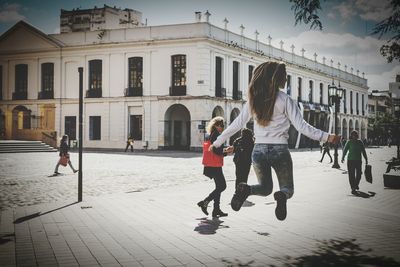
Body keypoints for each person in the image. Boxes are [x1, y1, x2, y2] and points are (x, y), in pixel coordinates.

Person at [211, 61, 339, 221]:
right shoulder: (285, 100)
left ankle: (245, 190)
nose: (286, 79)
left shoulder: (254, 100)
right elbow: (302, 127)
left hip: (258, 151)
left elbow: (237, 123)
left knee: (265, 189)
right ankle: (282, 196)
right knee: (287, 189)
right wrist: (327, 136)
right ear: (276, 78)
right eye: (284, 76)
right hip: (280, 151)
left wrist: (217, 142)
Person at [197, 116, 229, 218]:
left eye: (223, 125)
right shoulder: (216, 135)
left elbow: (215, 149)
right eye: (221, 125)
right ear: (216, 125)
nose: (223, 127)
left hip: (212, 165)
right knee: (222, 186)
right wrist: (226, 151)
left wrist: (223, 150)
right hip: (214, 165)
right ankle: (205, 202)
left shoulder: (212, 135)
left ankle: (216, 210)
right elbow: (216, 150)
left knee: (218, 187)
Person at [341, 130, 368, 195]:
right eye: (353, 135)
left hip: (358, 160)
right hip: (350, 160)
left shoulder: (360, 142)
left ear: (357, 136)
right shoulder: (349, 142)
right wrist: (343, 157)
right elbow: (345, 150)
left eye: (355, 135)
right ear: (351, 136)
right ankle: (353, 188)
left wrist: (366, 159)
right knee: (351, 175)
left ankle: (356, 184)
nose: (354, 136)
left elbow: (363, 151)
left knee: (359, 174)